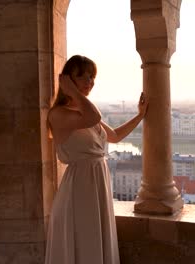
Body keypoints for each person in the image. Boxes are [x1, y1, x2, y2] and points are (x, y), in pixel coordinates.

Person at [45, 55, 148, 264]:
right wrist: (72, 92)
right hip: (79, 188)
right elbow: (94, 117)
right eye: (82, 77)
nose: (89, 82)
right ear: (67, 80)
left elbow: (115, 136)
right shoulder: (58, 114)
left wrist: (140, 115)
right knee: (84, 241)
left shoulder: (82, 112)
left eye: (91, 77)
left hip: (96, 184)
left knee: (93, 240)